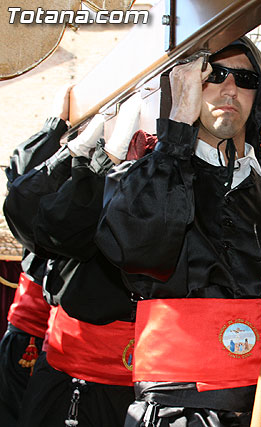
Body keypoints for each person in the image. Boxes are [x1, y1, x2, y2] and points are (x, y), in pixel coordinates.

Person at [95, 36, 261, 426]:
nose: (230, 88)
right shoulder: (141, 181)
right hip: (174, 414)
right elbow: (136, 250)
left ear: (258, 97)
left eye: (246, 79)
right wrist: (177, 124)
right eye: (214, 75)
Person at [3, 94, 146, 426]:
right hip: (65, 365)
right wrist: (73, 144)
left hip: (129, 377)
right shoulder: (77, 177)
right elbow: (27, 210)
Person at [0, 86, 72, 427]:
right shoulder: (48, 171)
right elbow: (21, 182)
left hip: (69, 346)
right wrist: (56, 125)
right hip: (31, 329)